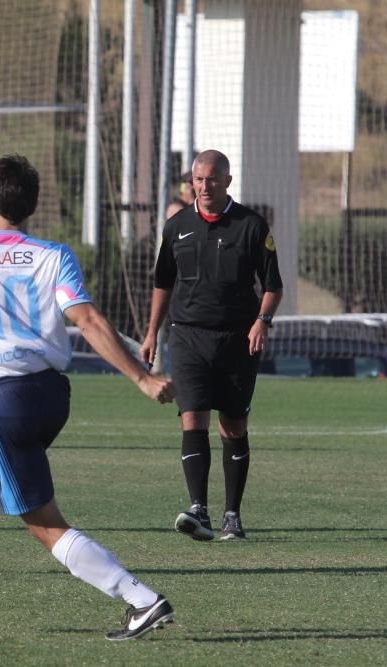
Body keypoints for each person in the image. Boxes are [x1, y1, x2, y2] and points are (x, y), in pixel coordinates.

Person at [0, 154, 177, 641]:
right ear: (31, 206)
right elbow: (89, 321)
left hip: (4, 398)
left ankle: (141, 599)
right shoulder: (55, 255)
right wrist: (142, 378)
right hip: (53, 395)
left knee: (42, 522)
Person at [139, 149, 283, 542]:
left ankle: (232, 515)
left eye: (212, 179)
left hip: (238, 339)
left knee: (233, 425)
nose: (204, 186)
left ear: (227, 182)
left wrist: (261, 321)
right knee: (192, 417)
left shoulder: (251, 226)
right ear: (191, 182)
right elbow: (162, 284)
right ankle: (197, 508)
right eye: (198, 179)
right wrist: (152, 332)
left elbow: (273, 286)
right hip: (186, 336)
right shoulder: (176, 226)